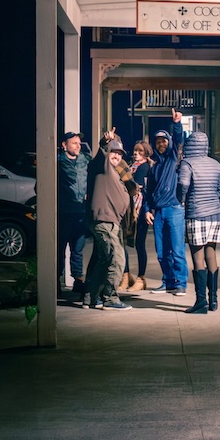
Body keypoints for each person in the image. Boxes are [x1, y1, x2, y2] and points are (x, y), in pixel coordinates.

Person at [84, 131, 137, 310]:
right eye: (113, 152)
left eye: (119, 153)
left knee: (104, 259)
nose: (116, 156)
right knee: (117, 258)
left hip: (113, 222)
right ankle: (110, 298)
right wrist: (106, 141)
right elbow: (102, 153)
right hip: (104, 221)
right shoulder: (103, 167)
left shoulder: (118, 174)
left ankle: (91, 297)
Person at [178, 131, 220, 313]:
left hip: (196, 214)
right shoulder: (215, 164)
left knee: (197, 257)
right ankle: (213, 300)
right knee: (211, 254)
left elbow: (183, 184)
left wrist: (181, 198)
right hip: (215, 215)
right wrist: (211, 196)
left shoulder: (187, 163)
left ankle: (201, 302)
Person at [145, 108, 188, 295]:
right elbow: (148, 192)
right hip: (159, 212)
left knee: (177, 249)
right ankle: (168, 281)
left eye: (164, 140)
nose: (161, 143)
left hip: (175, 209)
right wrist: (147, 209)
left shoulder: (173, 159)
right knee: (161, 252)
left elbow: (179, 141)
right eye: (158, 141)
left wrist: (177, 124)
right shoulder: (154, 166)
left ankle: (181, 283)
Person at [57, 131, 90, 296]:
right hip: (63, 212)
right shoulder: (58, 162)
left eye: (79, 143)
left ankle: (78, 280)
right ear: (64, 145)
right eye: (74, 143)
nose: (78, 146)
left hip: (80, 212)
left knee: (78, 249)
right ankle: (55, 281)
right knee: (60, 249)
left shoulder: (85, 160)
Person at [118, 140, 154, 292]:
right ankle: (126, 276)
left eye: (140, 152)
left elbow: (137, 187)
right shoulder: (130, 166)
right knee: (123, 242)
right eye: (135, 151)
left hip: (139, 212)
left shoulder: (146, 167)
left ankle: (141, 278)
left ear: (146, 153)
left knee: (140, 244)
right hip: (126, 210)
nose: (136, 154)